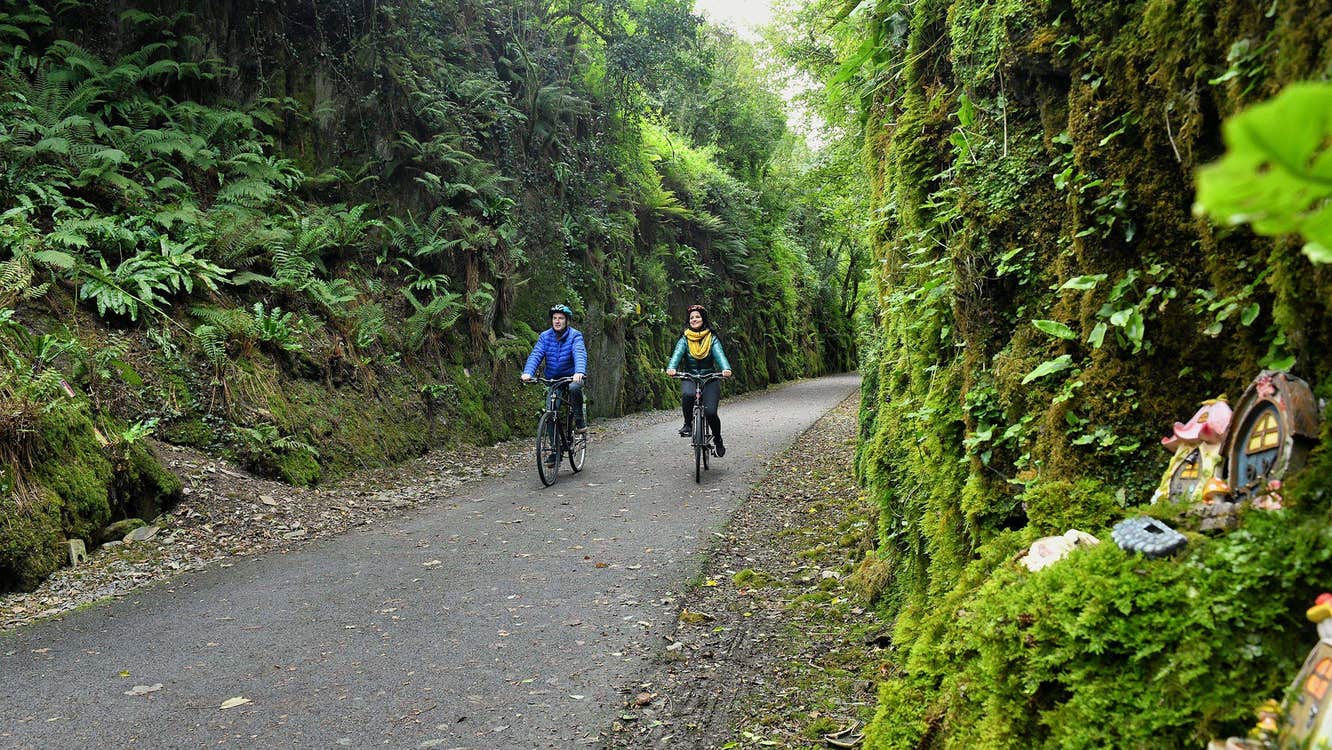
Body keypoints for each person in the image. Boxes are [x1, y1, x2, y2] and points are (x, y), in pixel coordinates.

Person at [521, 304, 588, 466]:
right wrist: (528, 372)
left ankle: (579, 421)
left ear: (567, 321)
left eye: (561, 318)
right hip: (554, 380)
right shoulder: (545, 336)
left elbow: (579, 353)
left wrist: (579, 372)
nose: (557, 321)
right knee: (550, 412)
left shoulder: (575, 336)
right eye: (555, 318)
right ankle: (555, 451)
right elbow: (536, 354)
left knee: (574, 388)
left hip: (572, 376)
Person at [665, 304, 733, 457]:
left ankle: (718, 439)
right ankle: (687, 424)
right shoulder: (685, 338)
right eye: (691, 318)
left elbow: (719, 354)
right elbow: (677, 354)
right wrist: (672, 368)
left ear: (703, 319)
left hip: (709, 378)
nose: (694, 319)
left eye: (697, 317)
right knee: (688, 395)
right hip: (690, 376)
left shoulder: (712, 338)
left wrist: (725, 368)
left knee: (711, 413)